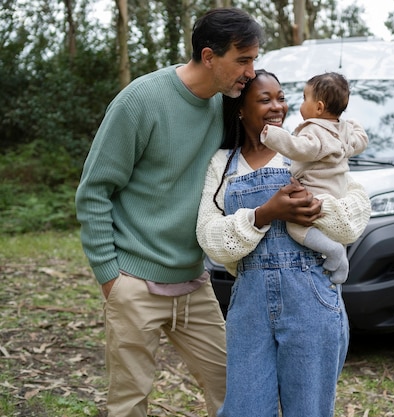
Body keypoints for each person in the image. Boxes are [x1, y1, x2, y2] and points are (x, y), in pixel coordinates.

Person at [75, 8, 266, 417]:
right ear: (210, 56)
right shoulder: (140, 101)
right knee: (129, 404)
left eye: (254, 60)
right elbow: (93, 192)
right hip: (133, 283)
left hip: (193, 283)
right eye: (243, 60)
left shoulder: (224, 106)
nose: (251, 71)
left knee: (237, 392)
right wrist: (111, 278)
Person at [196, 70, 371, 417]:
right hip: (249, 303)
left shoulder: (306, 147)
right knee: (245, 409)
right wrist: (263, 214)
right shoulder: (221, 164)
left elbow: (356, 213)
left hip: (312, 297)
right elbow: (210, 238)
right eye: (265, 99)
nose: (278, 107)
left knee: (308, 409)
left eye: (281, 97)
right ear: (241, 109)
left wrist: (317, 209)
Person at [260, 72, 368, 284]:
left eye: (304, 98)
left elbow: (300, 149)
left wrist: (272, 134)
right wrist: (353, 123)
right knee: (334, 228)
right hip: (338, 190)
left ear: (318, 107)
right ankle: (340, 256)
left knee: (296, 227)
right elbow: (360, 140)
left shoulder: (315, 130)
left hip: (316, 193)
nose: (300, 103)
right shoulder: (343, 131)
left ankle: (334, 251)